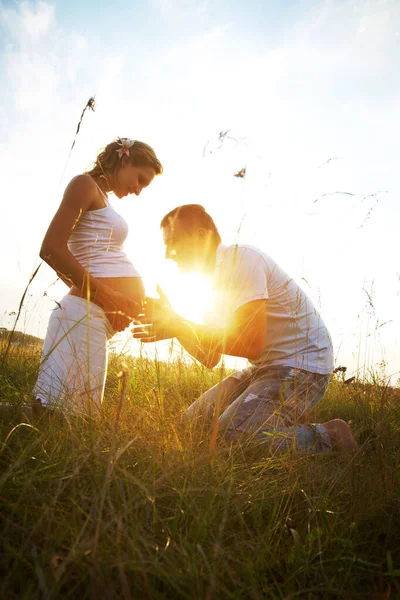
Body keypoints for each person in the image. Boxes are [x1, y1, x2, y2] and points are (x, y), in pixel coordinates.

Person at [134, 204, 356, 453]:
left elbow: (251, 344)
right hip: (264, 369)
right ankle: (276, 420)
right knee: (191, 425)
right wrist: (177, 327)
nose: (168, 254)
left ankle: (331, 435)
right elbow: (210, 358)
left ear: (201, 236)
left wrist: (180, 323)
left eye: (174, 241)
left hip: (302, 367)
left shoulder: (243, 260)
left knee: (232, 434)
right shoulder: (210, 283)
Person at [33, 138, 163, 414]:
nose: (138, 190)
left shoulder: (102, 198)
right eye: (140, 179)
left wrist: (130, 302)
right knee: (64, 420)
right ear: (125, 160)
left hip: (89, 317)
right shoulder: (84, 185)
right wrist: (107, 295)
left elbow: (90, 263)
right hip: (82, 316)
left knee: (61, 418)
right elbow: (51, 249)